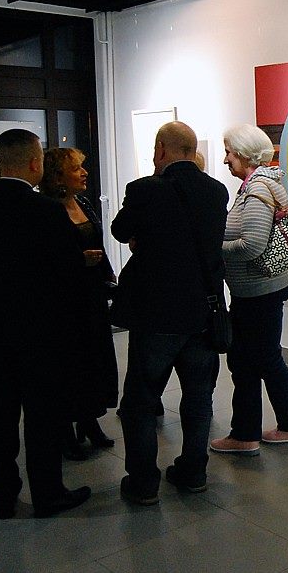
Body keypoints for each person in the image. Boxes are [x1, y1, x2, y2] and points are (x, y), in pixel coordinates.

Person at [0, 128, 91, 519]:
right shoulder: (46, 211)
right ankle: (47, 494)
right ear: (35, 163)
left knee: (0, 414)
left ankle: (3, 495)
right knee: (41, 414)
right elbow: (67, 272)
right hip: (40, 329)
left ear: (1, 160)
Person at [111, 121, 228, 505]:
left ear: (161, 149)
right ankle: (194, 472)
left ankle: (144, 484)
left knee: (141, 402)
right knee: (198, 398)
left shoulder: (145, 189)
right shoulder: (216, 191)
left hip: (156, 314)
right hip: (202, 312)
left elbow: (119, 230)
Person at [209, 124, 288, 457]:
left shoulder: (256, 190)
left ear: (243, 153)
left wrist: (213, 248)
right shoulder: (261, 185)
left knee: (260, 359)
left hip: (258, 290)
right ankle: (253, 431)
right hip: (262, 288)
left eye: (228, 152)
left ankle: (286, 425)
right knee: (250, 360)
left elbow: (252, 245)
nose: (225, 159)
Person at [39, 148, 119, 459]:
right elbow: (45, 258)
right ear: (57, 175)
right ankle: (64, 431)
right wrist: (78, 261)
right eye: (76, 168)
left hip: (91, 295)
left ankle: (89, 420)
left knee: (92, 359)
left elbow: (97, 242)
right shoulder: (46, 209)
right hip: (63, 300)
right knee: (69, 363)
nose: (84, 173)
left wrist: (107, 273)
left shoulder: (83, 202)